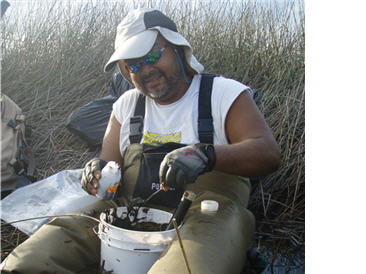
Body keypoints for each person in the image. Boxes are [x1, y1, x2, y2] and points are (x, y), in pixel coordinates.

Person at [1, 8, 280, 274]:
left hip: (207, 215)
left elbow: (268, 154)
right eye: (133, 64)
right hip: (130, 210)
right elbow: (109, 165)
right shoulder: (127, 106)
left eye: (152, 55)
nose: (144, 69)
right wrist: (97, 173)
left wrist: (206, 155)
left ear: (178, 49)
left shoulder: (222, 93)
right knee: (27, 262)